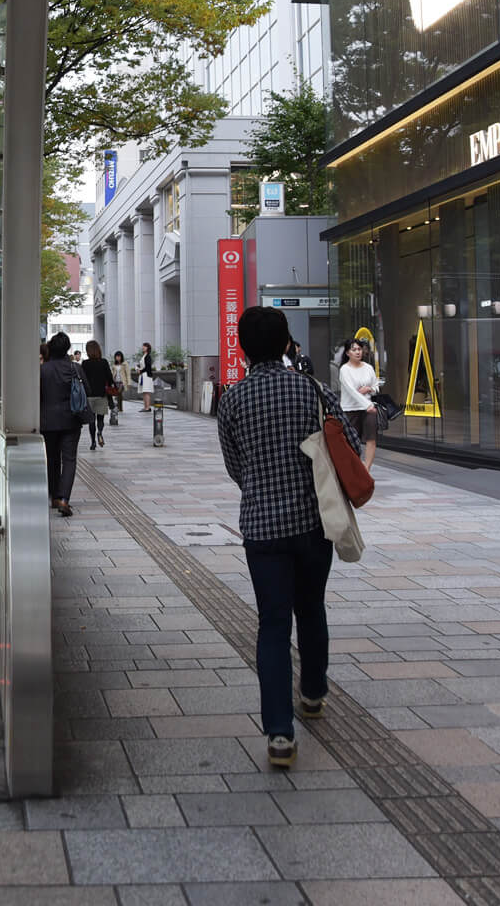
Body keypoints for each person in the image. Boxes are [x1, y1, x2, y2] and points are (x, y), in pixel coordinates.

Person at [217, 306, 361, 770]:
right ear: (285, 345)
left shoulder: (233, 400)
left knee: (273, 624)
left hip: (262, 528)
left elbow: (235, 466)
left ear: (242, 347)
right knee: (311, 606)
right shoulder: (313, 391)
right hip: (314, 524)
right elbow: (351, 450)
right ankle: (313, 692)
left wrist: (261, 487)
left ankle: (279, 733)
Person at [38, 332, 85, 516]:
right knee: (69, 459)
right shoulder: (75, 369)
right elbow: (86, 390)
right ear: (67, 348)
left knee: (51, 458)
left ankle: (54, 497)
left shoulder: (43, 370)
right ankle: (64, 499)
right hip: (72, 420)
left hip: (47, 421)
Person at [338, 338, 380, 469]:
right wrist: (367, 404)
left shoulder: (368, 368)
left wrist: (370, 389)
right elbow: (351, 391)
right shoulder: (344, 370)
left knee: (371, 439)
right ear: (347, 353)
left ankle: (366, 470)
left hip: (368, 410)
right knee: (350, 442)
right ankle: (354, 469)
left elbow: (376, 385)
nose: (357, 352)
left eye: (359, 349)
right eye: (354, 349)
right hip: (350, 409)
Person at [80, 340, 113, 451]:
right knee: (100, 419)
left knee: (91, 420)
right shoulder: (103, 362)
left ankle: (93, 442)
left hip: (89, 395)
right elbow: (109, 377)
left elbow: (82, 379)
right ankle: (100, 432)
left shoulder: (85, 363)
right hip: (101, 395)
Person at [110, 349, 132, 424]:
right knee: (118, 394)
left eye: (119, 356)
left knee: (119, 393)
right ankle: (119, 408)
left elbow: (128, 373)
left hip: (122, 382)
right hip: (115, 381)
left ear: (121, 357)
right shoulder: (114, 365)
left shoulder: (125, 364)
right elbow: (112, 373)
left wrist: (129, 382)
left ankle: (119, 408)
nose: (118, 358)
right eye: (116, 357)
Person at [138, 341, 156, 411]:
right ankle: (145, 406)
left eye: (144, 346)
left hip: (146, 375)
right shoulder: (144, 356)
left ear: (148, 348)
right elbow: (142, 365)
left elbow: (148, 367)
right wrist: (138, 367)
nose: (143, 347)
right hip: (143, 375)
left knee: (146, 391)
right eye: (143, 346)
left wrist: (141, 370)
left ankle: (147, 407)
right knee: (144, 392)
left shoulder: (148, 356)